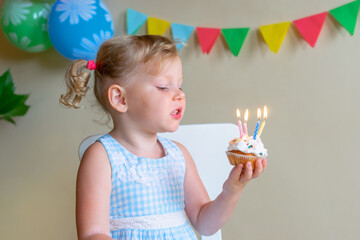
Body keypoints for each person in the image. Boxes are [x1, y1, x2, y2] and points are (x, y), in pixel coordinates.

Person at [60, 35, 267, 240]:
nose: (180, 95)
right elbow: (92, 234)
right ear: (120, 98)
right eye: (163, 87)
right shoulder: (102, 157)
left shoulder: (179, 155)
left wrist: (232, 190)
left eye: (180, 86)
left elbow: (205, 224)